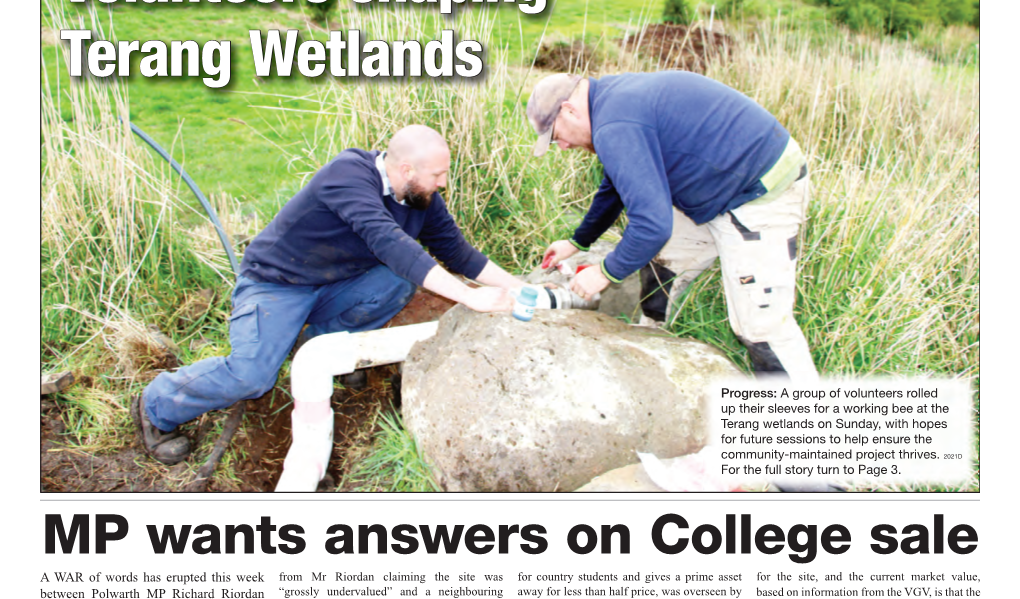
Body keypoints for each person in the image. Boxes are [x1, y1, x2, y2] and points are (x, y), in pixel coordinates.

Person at [134, 125, 516, 462]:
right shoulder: (348, 175)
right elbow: (392, 245)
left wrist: (519, 287)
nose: (443, 183)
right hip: (277, 285)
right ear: (406, 170)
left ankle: (317, 348)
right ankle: (157, 405)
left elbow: (458, 252)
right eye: (438, 174)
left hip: (337, 285)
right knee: (252, 376)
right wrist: (470, 297)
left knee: (396, 284)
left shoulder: (421, 199)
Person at [527, 71, 818, 380]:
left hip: (759, 191)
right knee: (664, 263)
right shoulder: (610, 103)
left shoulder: (615, 123)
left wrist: (604, 273)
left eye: (557, 135)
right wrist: (577, 242)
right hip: (719, 186)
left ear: (569, 110)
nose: (563, 146)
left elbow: (653, 225)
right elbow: (614, 186)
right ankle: (651, 342)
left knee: (760, 326)